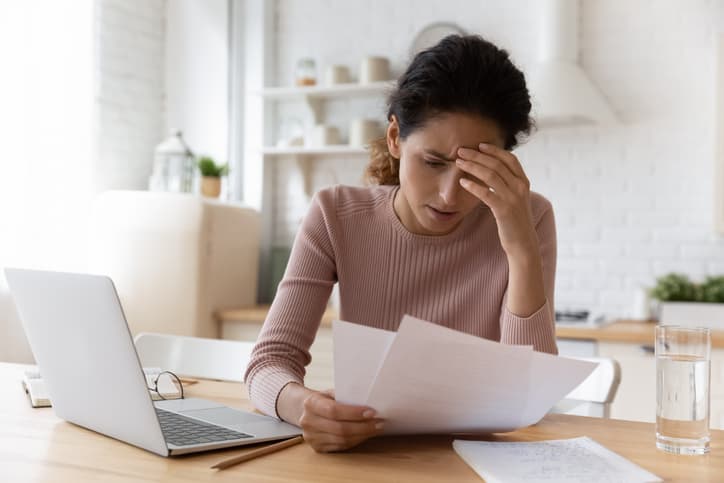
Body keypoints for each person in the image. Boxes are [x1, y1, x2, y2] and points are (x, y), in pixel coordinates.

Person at [244, 34, 558, 453]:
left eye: (475, 171)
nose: (450, 195)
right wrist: (302, 406)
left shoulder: (528, 217)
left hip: (481, 464)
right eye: (433, 163)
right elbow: (269, 363)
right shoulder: (336, 214)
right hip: (368, 459)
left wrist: (520, 245)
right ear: (395, 138)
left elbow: (531, 391)